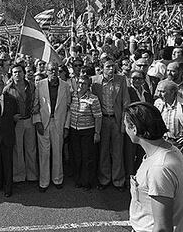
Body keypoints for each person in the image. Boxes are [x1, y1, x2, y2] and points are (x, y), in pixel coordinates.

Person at [125, 102, 183, 232]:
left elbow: (162, 228)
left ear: (134, 128)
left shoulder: (159, 168)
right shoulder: (170, 150)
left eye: (125, 125)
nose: (125, 130)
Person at [91, 57, 130, 191]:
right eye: (107, 66)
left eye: (112, 66)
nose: (110, 69)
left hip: (116, 119)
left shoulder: (121, 80)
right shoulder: (94, 81)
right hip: (102, 120)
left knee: (118, 151)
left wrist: (124, 123)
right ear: (102, 68)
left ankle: (119, 180)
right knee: (104, 151)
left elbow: (126, 103)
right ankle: (104, 179)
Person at [33, 61, 71, 192]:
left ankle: (57, 179)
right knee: (44, 153)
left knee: (57, 152)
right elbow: (35, 105)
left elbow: (68, 107)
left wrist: (66, 126)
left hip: (58, 122)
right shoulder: (40, 85)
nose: (53, 72)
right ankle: (43, 182)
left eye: (55, 70)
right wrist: (37, 121)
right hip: (43, 123)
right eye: (50, 70)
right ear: (46, 71)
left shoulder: (65, 86)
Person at [3, 64, 37, 183]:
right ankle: (19, 176)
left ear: (23, 73)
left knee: (31, 149)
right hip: (16, 123)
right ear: (12, 75)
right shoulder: (7, 89)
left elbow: (35, 100)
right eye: (15, 72)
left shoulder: (31, 86)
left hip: (29, 120)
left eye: (19, 72)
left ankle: (32, 175)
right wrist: (11, 116)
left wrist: (35, 108)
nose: (17, 74)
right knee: (18, 150)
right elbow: (4, 106)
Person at [68, 75, 102, 190]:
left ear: (88, 86)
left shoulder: (93, 98)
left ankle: (87, 181)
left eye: (84, 83)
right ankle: (78, 179)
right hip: (74, 130)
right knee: (77, 156)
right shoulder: (72, 96)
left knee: (87, 157)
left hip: (87, 130)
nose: (81, 85)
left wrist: (97, 133)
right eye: (80, 82)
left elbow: (98, 117)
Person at [154, 80, 183, 150]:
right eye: (158, 91)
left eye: (162, 91)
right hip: (161, 143)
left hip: (178, 145)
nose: (159, 94)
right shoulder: (158, 103)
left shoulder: (181, 105)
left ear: (172, 92)